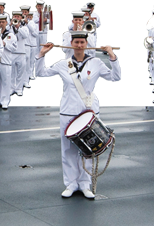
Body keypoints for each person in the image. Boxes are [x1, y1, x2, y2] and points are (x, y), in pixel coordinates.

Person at [35, 34, 120, 199]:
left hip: (88, 111)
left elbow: (115, 77)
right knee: (68, 150)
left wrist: (112, 56)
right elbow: (41, 73)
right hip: (68, 110)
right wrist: (42, 54)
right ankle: (71, 184)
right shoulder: (63, 64)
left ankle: (85, 184)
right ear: (71, 44)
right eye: (77, 42)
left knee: (89, 149)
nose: (80, 45)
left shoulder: (95, 63)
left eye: (82, 42)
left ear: (86, 44)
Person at [0, 14, 17, 110]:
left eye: (3, 22)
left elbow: (15, 49)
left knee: (6, 83)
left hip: (6, 61)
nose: (1, 24)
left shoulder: (10, 35)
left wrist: (5, 44)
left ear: (6, 22)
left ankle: (5, 101)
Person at [9, 11, 32, 98]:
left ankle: (19, 89)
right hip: (12, 52)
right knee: (12, 72)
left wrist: (18, 27)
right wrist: (11, 25)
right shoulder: (9, 27)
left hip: (21, 52)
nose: (16, 18)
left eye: (18, 17)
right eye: (15, 16)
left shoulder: (24, 27)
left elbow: (25, 35)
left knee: (20, 72)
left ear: (21, 18)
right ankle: (12, 88)